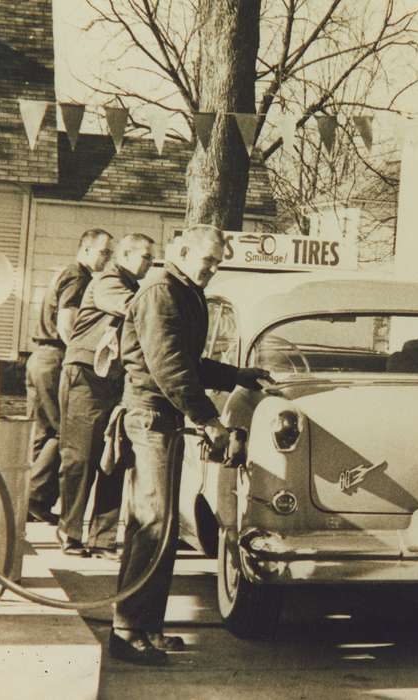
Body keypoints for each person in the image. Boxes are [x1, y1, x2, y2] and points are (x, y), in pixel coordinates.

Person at [111, 224, 271, 665]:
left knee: (159, 530)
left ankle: (146, 627)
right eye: (208, 260)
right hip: (150, 418)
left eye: (219, 262)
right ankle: (127, 632)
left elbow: (189, 362)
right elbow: (170, 367)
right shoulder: (162, 292)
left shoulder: (183, 289)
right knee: (153, 523)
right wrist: (209, 420)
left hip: (163, 419)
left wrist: (236, 376)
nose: (213, 269)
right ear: (180, 250)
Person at [57, 234, 155, 559]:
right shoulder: (108, 281)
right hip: (86, 377)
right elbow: (132, 311)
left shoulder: (133, 287)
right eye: (145, 257)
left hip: (115, 380)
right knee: (80, 458)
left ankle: (102, 539)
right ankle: (70, 533)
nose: (150, 264)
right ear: (124, 254)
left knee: (112, 458)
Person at [26, 229, 114, 528]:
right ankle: (34, 497)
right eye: (104, 252)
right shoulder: (79, 277)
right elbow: (67, 323)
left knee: (45, 431)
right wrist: (77, 352)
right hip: (55, 357)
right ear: (86, 249)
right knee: (61, 432)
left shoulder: (63, 272)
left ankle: (33, 501)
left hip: (39, 357)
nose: (107, 258)